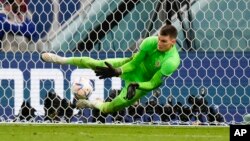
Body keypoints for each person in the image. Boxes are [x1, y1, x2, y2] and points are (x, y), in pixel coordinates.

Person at [41, 24, 180, 114]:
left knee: (110, 108)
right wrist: (118, 71)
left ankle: (91, 103)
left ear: (173, 42)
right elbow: (134, 63)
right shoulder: (150, 42)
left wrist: (137, 85)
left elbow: (153, 84)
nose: (159, 43)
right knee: (96, 64)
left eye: (164, 41)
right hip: (129, 65)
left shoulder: (172, 61)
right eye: (159, 39)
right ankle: (60, 59)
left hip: (140, 83)